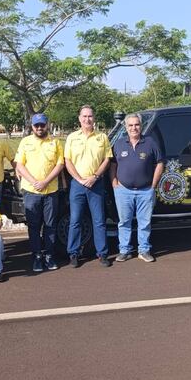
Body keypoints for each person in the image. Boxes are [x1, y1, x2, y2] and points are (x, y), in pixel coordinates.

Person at [110, 113, 164, 263]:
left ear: (141, 126)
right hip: (123, 191)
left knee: (144, 222)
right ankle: (124, 251)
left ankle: (144, 250)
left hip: (145, 190)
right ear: (126, 127)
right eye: (131, 125)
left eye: (137, 125)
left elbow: (159, 163)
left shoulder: (150, 142)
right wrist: (114, 183)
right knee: (124, 222)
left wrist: (153, 185)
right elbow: (113, 165)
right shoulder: (119, 143)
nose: (134, 128)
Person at [63, 105, 113, 268]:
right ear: (79, 118)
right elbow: (68, 161)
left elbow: (107, 159)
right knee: (75, 220)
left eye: (90, 116)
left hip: (96, 184)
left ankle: (102, 253)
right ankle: (74, 253)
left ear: (94, 118)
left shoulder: (102, 137)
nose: (87, 119)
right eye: (84, 116)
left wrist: (95, 176)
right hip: (77, 184)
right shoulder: (72, 137)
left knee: (99, 220)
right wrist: (79, 179)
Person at [14, 113, 64, 272]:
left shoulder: (55, 142)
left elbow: (59, 164)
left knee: (50, 225)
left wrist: (45, 181)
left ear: (47, 125)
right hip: (31, 190)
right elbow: (19, 164)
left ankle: (49, 256)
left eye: (42, 125)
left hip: (50, 191)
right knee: (34, 226)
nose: (40, 128)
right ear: (32, 127)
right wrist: (34, 181)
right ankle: (36, 256)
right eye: (37, 125)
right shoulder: (25, 142)